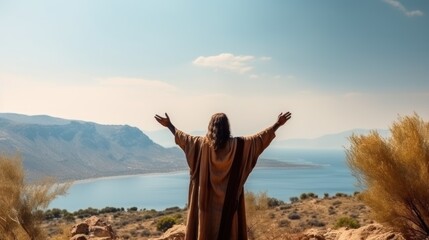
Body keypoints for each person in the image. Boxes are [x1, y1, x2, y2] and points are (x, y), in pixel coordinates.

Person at [154, 112, 292, 240]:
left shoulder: (201, 144)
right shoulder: (239, 146)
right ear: (227, 127)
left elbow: (183, 138)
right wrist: (277, 124)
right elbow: (259, 139)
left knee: (205, 229)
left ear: (210, 127)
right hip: (229, 204)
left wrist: (170, 126)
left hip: (205, 204)